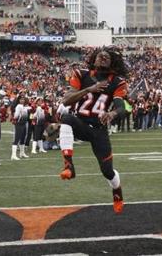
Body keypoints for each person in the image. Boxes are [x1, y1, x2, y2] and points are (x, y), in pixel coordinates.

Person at [57, 49, 128, 214]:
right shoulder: (81, 74)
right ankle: (68, 164)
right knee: (66, 118)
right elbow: (67, 100)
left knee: (107, 171)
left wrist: (112, 113)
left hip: (99, 129)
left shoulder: (117, 82)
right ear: (93, 60)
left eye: (107, 57)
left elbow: (121, 107)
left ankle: (117, 191)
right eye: (100, 56)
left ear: (112, 63)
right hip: (80, 123)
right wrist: (89, 89)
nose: (103, 57)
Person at [11, 95, 29, 159]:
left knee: (22, 139)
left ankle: (22, 153)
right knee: (17, 139)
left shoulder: (24, 106)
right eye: (21, 99)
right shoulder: (18, 106)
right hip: (19, 124)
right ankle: (13, 155)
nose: (22, 100)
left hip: (23, 124)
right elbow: (16, 115)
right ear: (18, 100)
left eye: (23, 99)